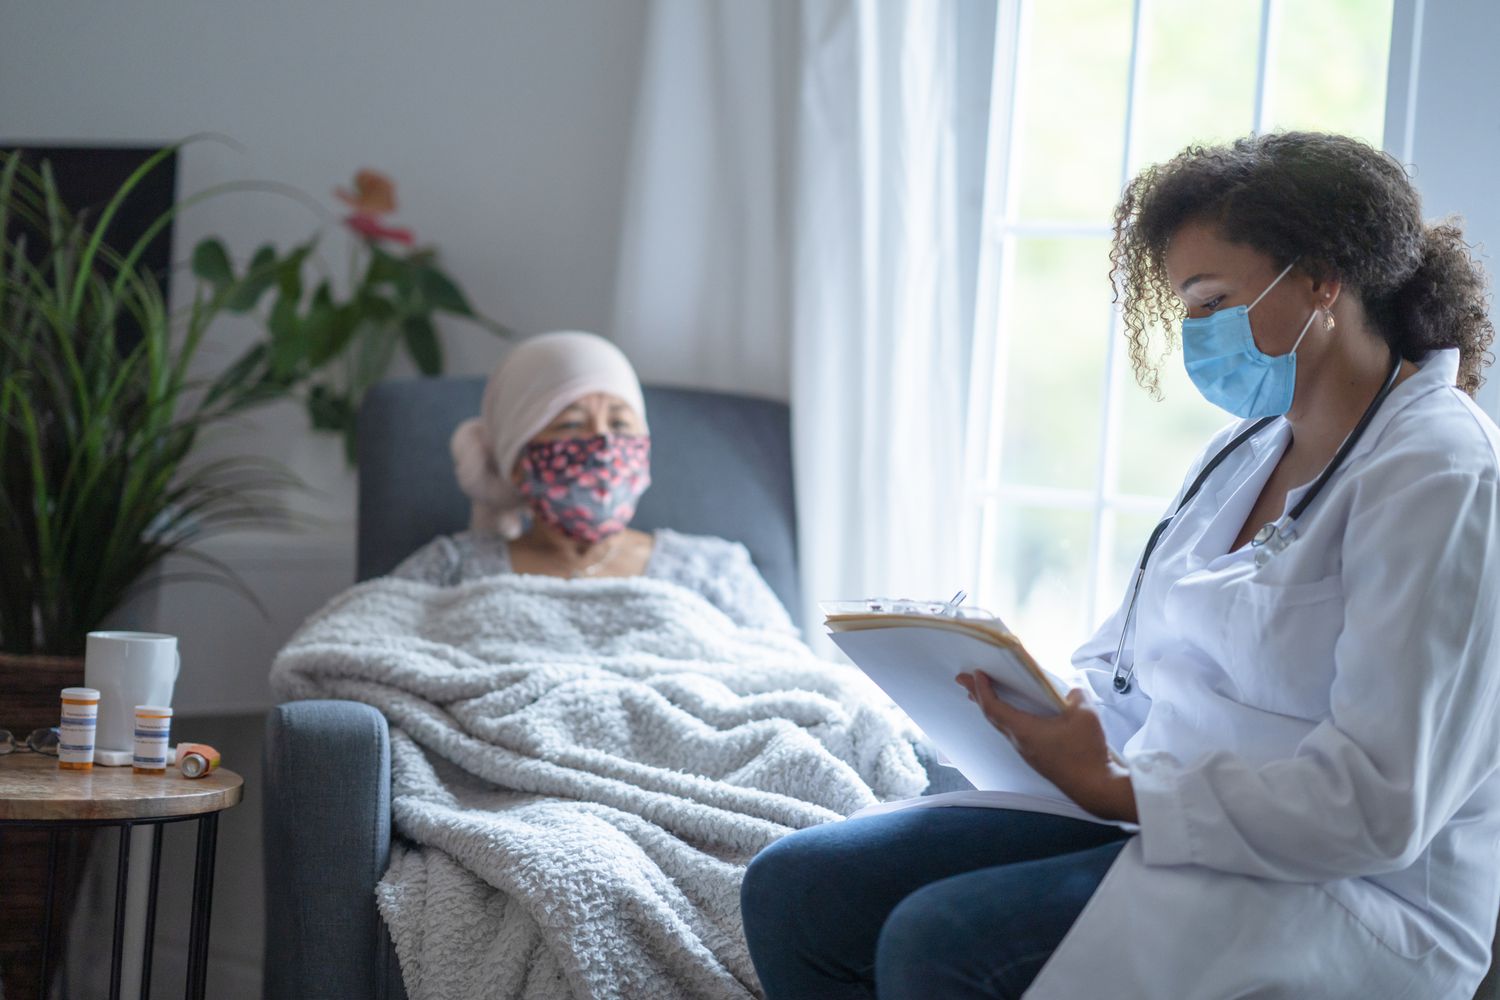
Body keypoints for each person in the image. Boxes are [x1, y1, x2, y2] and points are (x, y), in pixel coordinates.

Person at [739, 131, 1500, 998]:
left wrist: (1119, 789)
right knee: (797, 891)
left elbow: (1378, 806)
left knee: (939, 940)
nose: (1198, 334)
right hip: (1167, 821)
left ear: (1325, 278)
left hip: (1352, 897)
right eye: (1187, 309)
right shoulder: (1242, 454)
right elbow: (1139, 670)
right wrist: (1031, 707)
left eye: (1215, 301)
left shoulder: (1442, 477)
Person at [391, 330, 796, 633]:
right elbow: (357, 649)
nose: (603, 441)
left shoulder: (714, 570)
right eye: (570, 424)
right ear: (518, 460)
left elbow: (792, 675)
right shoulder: (452, 568)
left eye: (620, 422)